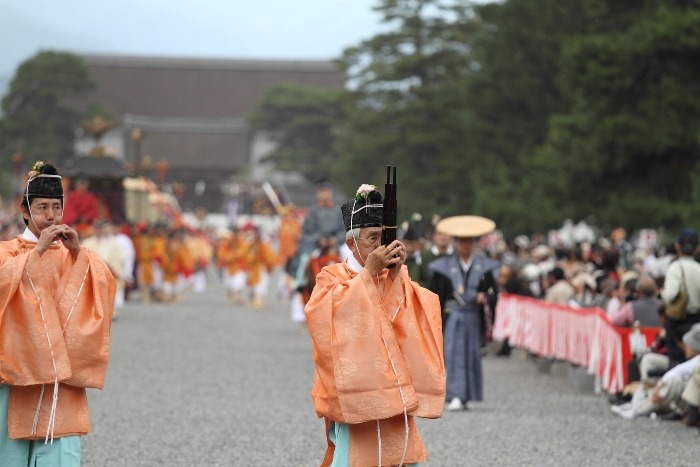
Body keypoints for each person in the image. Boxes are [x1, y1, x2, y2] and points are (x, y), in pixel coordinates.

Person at [305, 183, 445, 466]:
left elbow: (411, 320)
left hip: (393, 388)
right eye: (372, 239)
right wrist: (368, 273)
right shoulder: (331, 276)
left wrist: (396, 279)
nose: (380, 246)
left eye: (385, 238)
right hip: (355, 390)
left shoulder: (393, 274)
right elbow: (326, 320)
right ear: (351, 243)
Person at [0, 161, 115, 466]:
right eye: (41, 207)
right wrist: (35, 253)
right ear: (25, 211)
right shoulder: (8, 252)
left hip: (60, 377)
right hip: (15, 375)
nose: (50, 215)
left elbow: (103, 288)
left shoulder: (72, 254)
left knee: (62, 455)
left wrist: (78, 253)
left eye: (56, 207)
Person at [428, 215, 500, 411]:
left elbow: (494, 293)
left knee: (471, 354)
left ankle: (467, 394)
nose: (466, 245)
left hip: (473, 315)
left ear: (474, 243)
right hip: (453, 315)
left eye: (470, 241)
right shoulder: (443, 267)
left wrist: (484, 297)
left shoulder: (484, 267)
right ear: (456, 243)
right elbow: (435, 295)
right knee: (453, 354)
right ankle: (455, 394)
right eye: (462, 241)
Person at [661, 228, 700, 367]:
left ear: (678, 246)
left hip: (677, 321)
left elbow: (670, 295)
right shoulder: (698, 267)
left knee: (677, 361)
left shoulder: (675, 267)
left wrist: (663, 293)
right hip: (696, 320)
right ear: (697, 248)